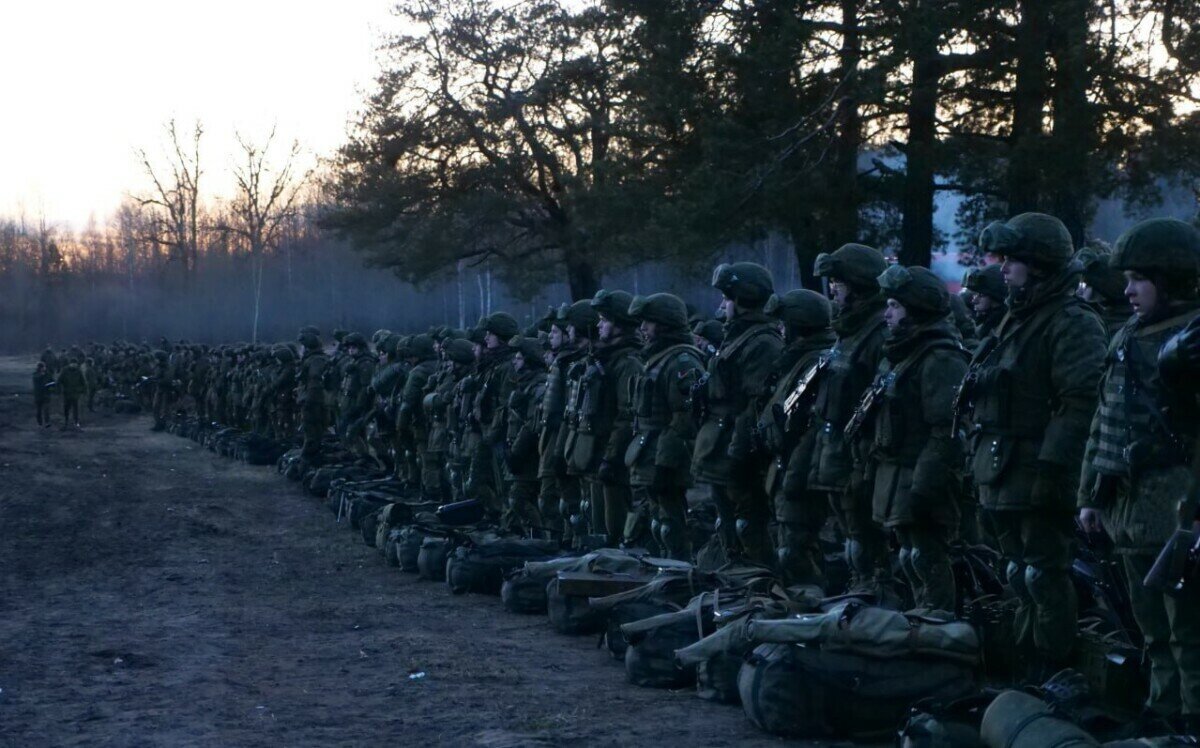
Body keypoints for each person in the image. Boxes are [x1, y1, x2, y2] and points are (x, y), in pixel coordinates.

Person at [964, 212, 1106, 677]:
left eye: (1013, 260)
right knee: (1015, 573)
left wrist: (1052, 470)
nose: (1003, 269)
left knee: (1044, 575)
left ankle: (1053, 669)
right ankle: (1023, 662)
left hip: (1037, 472)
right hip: (1002, 469)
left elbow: (1080, 403)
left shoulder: (1070, 321)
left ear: (1040, 264)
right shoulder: (1016, 319)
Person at [1077, 218, 1200, 734]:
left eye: (1139, 279)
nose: (1127, 290)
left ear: (1170, 280)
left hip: (1179, 507)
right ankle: (1162, 705)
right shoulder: (1125, 336)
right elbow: (1102, 419)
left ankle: (1192, 716)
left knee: (1187, 628)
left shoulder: (1192, 340)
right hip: (1127, 506)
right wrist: (1088, 495)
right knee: (1149, 624)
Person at [857, 265, 969, 611]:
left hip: (919, 479)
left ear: (916, 308)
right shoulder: (900, 356)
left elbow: (945, 431)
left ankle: (939, 632)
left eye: (895, 305)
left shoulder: (940, 357)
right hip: (896, 478)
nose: (886, 314)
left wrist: (924, 486)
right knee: (908, 557)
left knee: (924, 558)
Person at [809, 243, 889, 592]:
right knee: (849, 537)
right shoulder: (847, 332)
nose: (832, 290)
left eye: (838, 283)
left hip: (861, 454)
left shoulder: (877, 332)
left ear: (856, 284)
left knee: (865, 541)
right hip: (835, 448)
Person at [694, 262, 783, 565]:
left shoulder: (762, 342)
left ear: (743, 299)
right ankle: (736, 574)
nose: (722, 305)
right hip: (720, 442)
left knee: (747, 523)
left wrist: (739, 452)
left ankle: (760, 581)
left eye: (727, 298)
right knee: (727, 521)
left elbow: (754, 404)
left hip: (739, 448)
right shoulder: (738, 337)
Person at [759, 289, 836, 586]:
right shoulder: (797, 360)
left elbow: (809, 427)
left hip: (799, 468)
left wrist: (794, 472)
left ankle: (813, 608)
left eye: (784, 324)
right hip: (785, 466)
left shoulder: (816, 362)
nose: (780, 330)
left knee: (793, 551)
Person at [626, 293, 705, 558]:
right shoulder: (657, 359)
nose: (643, 329)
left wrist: (664, 465)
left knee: (671, 526)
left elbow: (683, 419)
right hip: (648, 455)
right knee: (656, 523)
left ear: (665, 323)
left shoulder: (681, 361)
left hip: (666, 459)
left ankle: (679, 574)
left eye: (648, 323)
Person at [297, 328, 329, 464]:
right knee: (312, 432)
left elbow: (315, 381)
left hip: (313, 401)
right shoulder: (314, 358)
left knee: (312, 433)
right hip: (312, 399)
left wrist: (308, 399)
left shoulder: (315, 360)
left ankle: (308, 461)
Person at [58, 355, 87, 429]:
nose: (74, 365)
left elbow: (83, 382)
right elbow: (59, 380)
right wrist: (59, 390)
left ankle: (76, 422)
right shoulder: (64, 370)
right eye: (72, 363)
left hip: (76, 393)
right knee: (66, 408)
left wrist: (83, 391)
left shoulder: (79, 371)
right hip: (67, 393)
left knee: (76, 409)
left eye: (75, 363)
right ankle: (66, 422)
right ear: (69, 364)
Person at [33, 361, 53, 427]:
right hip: (39, 395)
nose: (44, 368)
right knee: (39, 410)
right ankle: (39, 423)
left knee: (46, 409)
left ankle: (47, 422)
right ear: (40, 368)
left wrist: (49, 386)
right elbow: (37, 382)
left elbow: (53, 382)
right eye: (43, 367)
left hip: (46, 394)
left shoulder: (48, 374)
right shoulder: (35, 375)